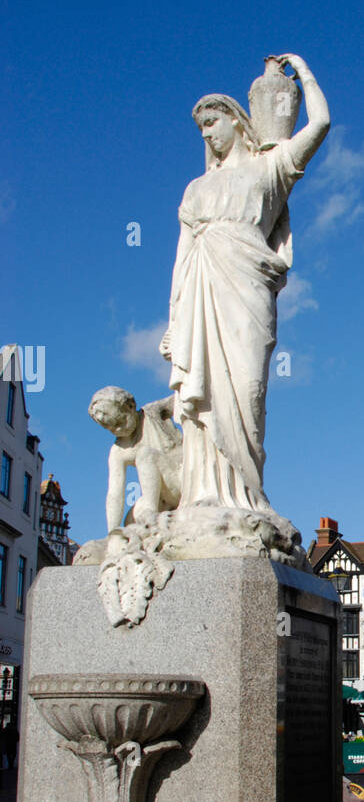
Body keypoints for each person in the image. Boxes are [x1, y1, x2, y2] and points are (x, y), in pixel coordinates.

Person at [160, 54, 329, 519]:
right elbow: (181, 259)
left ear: (237, 120)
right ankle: (205, 498)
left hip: (248, 290)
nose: (208, 134)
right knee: (206, 395)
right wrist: (174, 322)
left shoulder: (269, 169)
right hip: (201, 294)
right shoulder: (195, 190)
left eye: (213, 123)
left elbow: (321, 123)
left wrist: (304, 71)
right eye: (201, 130)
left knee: (248, 390)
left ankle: (247, 496)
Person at [88, 387, 182, 531]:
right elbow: (115, 493)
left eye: (120, 422)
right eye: (110, 428)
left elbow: (182, 396)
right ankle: (151, 515)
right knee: (131, 520)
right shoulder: (118, 451)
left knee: (145, 454)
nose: (118, 430)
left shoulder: (152, 412)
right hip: (164, 498)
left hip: (182, 477)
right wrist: (112, 532)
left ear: (130, 406)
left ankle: (152, 513)